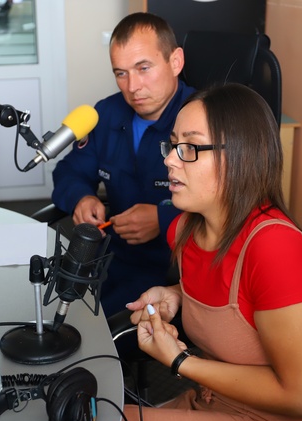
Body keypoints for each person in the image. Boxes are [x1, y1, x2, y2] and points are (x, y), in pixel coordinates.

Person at [119, 84, 302, 421]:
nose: (169, 160)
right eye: (173, 144)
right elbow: (235, 292)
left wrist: (180, 361)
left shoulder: (277, 250)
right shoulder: (186, 230)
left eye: (190, 148)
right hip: (217, 402)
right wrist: (177, 293)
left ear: (242, 157)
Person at [51, 12, 195, 317]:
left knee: (91, 326)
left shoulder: (202, 119)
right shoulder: (107, 113)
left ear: (175, 62)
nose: (132, 87)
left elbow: (232, 204)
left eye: (143, 68)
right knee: (51, 307)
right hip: (112, 256)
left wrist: (163, 219)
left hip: (180, 269)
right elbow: (69, 171)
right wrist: (81, 198)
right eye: (121, 73)